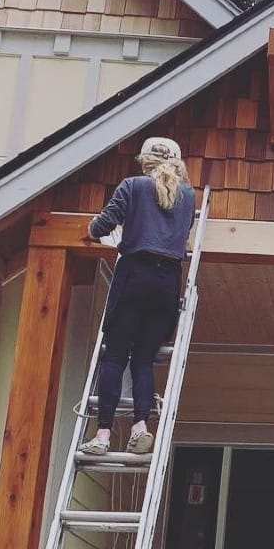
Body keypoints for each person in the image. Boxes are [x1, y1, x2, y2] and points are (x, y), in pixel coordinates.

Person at [80, 137, 195, 456]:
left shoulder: (133, 186)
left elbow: (104, 224)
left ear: (145, 161)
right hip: (168, 281)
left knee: (116, 356)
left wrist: (89, 229)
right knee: (143, 360)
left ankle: (102, 434)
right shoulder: (188, 195)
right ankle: (140, 427)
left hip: (135, 274)